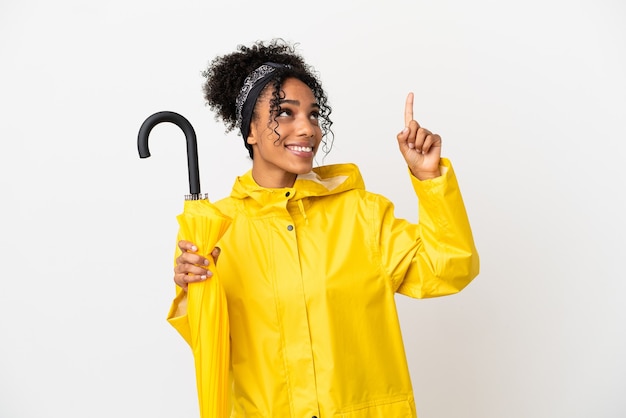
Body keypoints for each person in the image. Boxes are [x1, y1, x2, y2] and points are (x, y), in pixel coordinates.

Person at [172, 39, 479, 417]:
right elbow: (211, 345)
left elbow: (449, 269)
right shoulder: (215, 231)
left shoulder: (361, 214)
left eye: (314, 115)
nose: (307, 128)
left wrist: (430, 179)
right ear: (249, 130)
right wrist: (191, 293)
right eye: (284, 113)